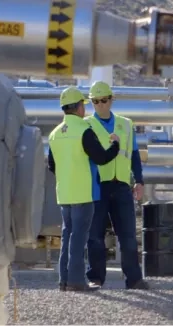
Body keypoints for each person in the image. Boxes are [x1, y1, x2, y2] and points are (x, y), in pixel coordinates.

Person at [48, 86, 121, 292]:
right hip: (83, 193)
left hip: (64, 194)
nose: (84, 109)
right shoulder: (84, 131)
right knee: (78, 238)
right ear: (78, 107)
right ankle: (77, 281)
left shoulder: (54, 134)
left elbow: (52, 165)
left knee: (67, 236)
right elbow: (102, 158)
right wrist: (115, 145)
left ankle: (64, 280)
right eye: (83, 105)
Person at [84, 81, 149, 290]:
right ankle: (95, 278)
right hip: (97, 186)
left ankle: (134, 279)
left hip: (121, 186)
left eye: (104, 100)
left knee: (128, 234)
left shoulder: (126, 124)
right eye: (95, 101)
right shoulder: (86, 125)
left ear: (111, 100)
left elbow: (135, 156)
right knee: (95, 235)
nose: (100, 105)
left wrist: (139, 181)